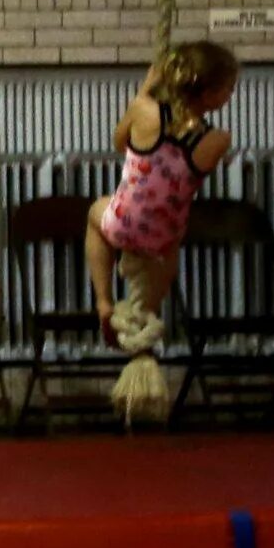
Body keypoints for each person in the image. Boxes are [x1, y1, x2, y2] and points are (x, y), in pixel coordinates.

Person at [86, 40, 240, 339]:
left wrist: (145, 91)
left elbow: (120, 143)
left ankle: (103, 301)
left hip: (123, 222)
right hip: (163, 238)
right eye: (228, 89)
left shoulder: (144, 111)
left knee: (95, 212)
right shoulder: (217, 139)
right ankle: (146, 312)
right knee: (167, 258)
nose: (231, 95)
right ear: (208, 94)